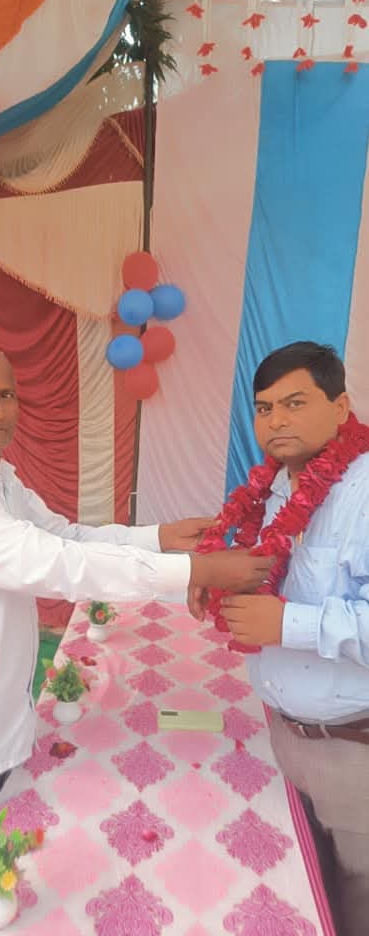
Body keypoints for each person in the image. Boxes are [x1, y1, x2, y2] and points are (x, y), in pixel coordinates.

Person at [0, 342, 272, 936]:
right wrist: (199, 569)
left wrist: (158, 537)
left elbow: (66, 536)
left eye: (5, 395)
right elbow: (57, 564)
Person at [213, 341, 369, 936]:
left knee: (356, 902)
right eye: (264, 407)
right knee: (294, 893)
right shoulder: (276, 487)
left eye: (295, 403)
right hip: (283, 736)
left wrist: (286, 624)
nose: (275, 420)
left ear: (340, 406)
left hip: (351, 752)